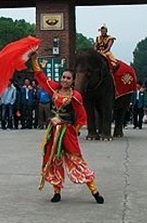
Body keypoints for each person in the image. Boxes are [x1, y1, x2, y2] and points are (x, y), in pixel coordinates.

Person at [31, 58, 104, 204]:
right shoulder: (54, 89)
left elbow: (82, 116)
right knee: (53, 160)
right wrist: (34, 60)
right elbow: (41, 76)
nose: (65, 80)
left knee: (77, 160)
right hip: (53, 132)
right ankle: (56, 191)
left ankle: (94, 190)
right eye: (63, 77)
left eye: (68, 78)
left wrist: (74, 130)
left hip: (67, 132)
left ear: (73, 81)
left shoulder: (75, 96)